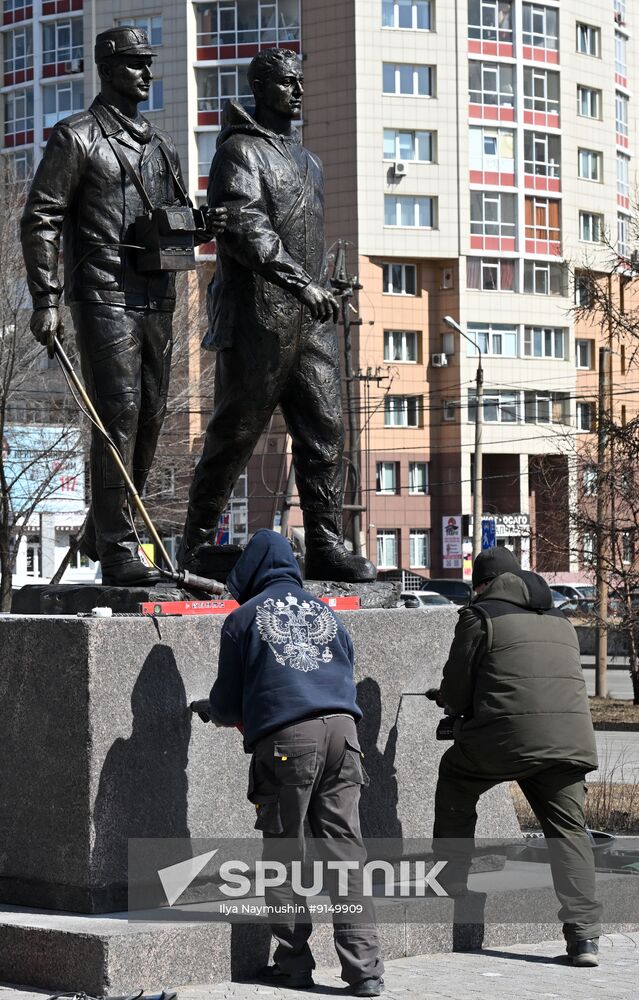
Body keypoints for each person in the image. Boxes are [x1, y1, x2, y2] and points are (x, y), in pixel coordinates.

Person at [20, 27, 226, 586]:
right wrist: (46, 298)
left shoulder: (161, 147)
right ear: (108, 69)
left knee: (154, 416)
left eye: (148, 63)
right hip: (102, 293)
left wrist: (209, 223)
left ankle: (107, 524)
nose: (146, 73)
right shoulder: (76, 137)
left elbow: (176, 215)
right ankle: (116, 546)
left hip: (158, 293)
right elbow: (41, 218)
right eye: (134, 64)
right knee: (120, 416)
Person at [178, 48, 375, 583]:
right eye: (287, 82)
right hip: (257, 318)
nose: (298, 90)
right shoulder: (239, 153)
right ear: (260, 87)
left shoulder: (309, 162)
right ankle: (195, 544)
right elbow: (245, 229)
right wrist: (303, 282)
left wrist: (323, 282)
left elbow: (303, 237)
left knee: (326, 431)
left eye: (300, 82)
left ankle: (327, 544)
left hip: (309, 321)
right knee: (236, 432)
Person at [207, 529, 384, 996]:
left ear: (251, 569)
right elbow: (342, 672)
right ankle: (365, 971)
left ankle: (293, 964)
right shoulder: (325, 610)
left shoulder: (244, 618)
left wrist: (214, 710)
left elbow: (226, 704)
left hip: (289, 742)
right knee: (346, 854)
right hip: (345, 736)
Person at [431, 546, 602, 966]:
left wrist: (449, 705)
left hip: (504, 739)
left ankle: (450, 883)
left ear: (484, 585)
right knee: (568, 833)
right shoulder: (561, 621)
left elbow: (456, 689)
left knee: (455, 775)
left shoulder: (480, 617)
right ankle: (584, 939)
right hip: (569, 743)